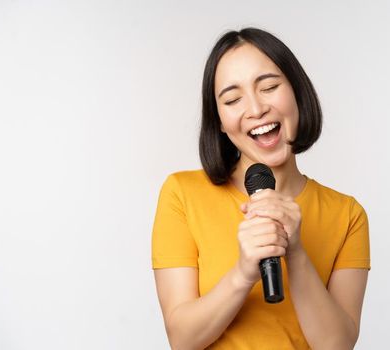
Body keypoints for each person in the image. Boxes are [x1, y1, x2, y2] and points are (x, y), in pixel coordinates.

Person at [151, 27, 370, 349]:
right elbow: (182, 339)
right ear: (221, 123)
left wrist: (294, 250)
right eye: (233, 99)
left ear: (297, 91)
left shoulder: (347, 214)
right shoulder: (182, 194)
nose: (255, 109)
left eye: (268, 87)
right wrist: (242, 273)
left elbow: (337, 345)